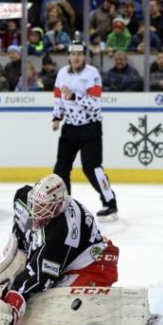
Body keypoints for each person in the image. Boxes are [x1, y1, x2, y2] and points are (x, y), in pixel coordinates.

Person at [0, 174, 119, 325]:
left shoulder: (61, 232)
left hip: (95, 265)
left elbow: (40, 277)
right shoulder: (24, 198)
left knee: (51, 303)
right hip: (65, 257)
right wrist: (20, 250)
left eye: (43, 208)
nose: (36, 211)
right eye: (35, 204)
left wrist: (13, 301)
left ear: (58, 207)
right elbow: (21, 222)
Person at [51, 40, 118, 220]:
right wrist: (57, 117)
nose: (76, 57)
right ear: (69, 56)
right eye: (73, 54)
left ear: (84, 57)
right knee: (61, 167)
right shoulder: (62, 74)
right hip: (70, 128)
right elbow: (58, 98)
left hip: (90, 128)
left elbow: (95, 103)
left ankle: (110, 202)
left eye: (80, 54)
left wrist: (73, 95)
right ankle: (63, 204)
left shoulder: (92, 74)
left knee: (92, 168)